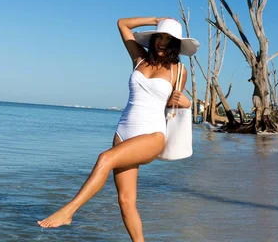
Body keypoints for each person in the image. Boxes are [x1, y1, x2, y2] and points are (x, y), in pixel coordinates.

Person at [37, 17, 199, 241]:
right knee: (125, 201)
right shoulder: (139, 59)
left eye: (168, 39)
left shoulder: (179, 71)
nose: (162, 42)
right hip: (123, 133)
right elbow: (123, 24)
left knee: (105, 158)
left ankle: (68, 211)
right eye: (158, 36)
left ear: (176, 44)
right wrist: (155, 20)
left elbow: (174, 103)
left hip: (152, 136)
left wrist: (187, 102)